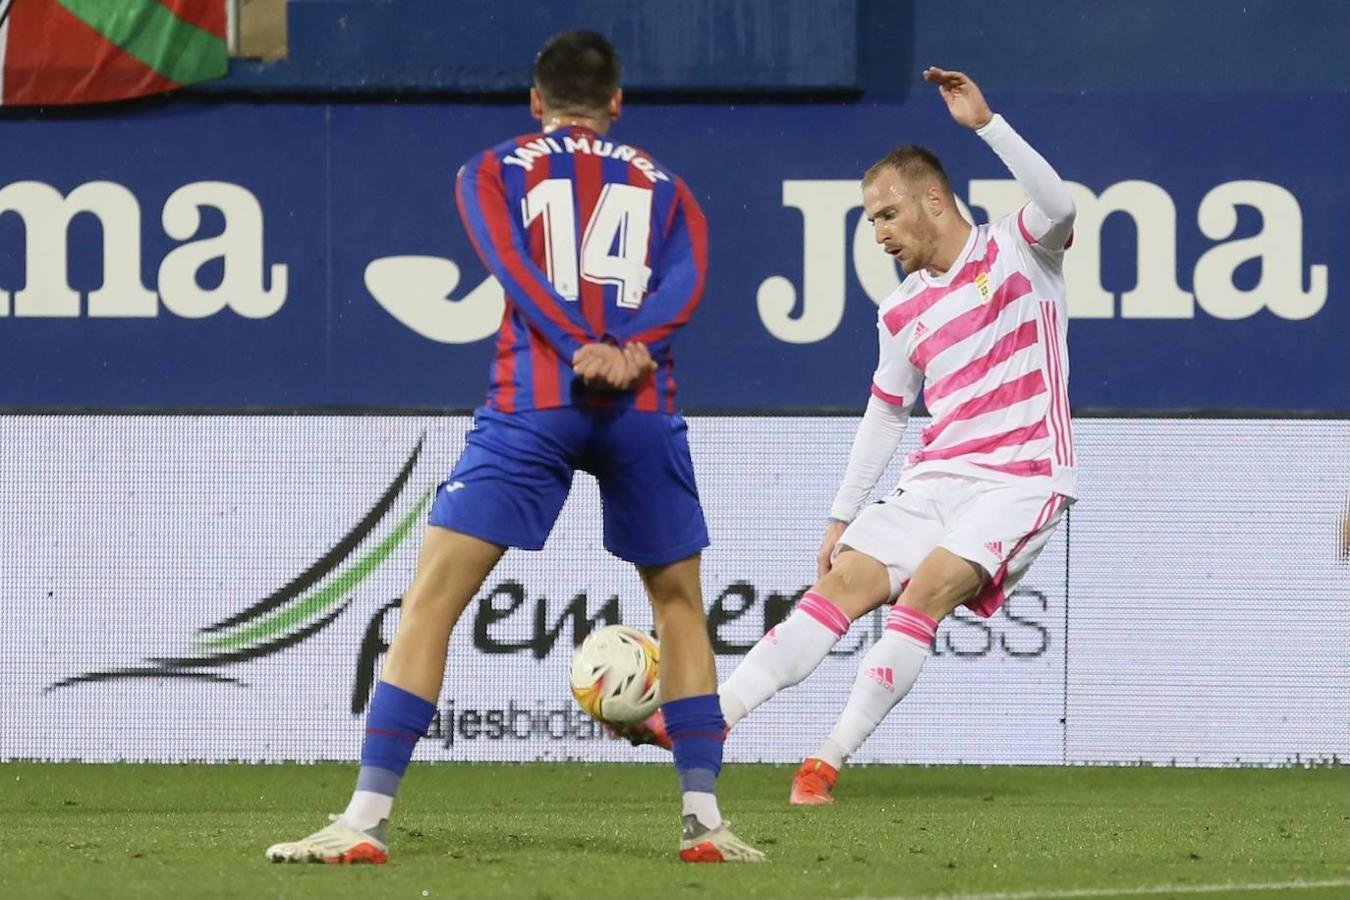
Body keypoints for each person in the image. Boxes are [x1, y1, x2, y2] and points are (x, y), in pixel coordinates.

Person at [266, 30, 762, 864]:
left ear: (535, 102)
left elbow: (512, 267)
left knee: (430, 601)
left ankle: (364, 820)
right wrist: (632, 344)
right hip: (641, 403)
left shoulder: (492, 169)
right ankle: (705, 821)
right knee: (679, 606)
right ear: (616, 104)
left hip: (536, 398)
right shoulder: (668, 186)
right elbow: (689, 276)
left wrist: (577, 343)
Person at [627, 67, 1078, 805]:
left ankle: (825, 761)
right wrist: (841, 514)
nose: (880, 233)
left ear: (935, 200)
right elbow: (888, 413)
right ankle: (711, 720)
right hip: (937, 479)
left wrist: (985, 125)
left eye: (889, 215)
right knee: (840, 586)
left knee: (921, 595)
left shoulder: (1021, 248)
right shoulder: (901, 310)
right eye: (870, 221)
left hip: (1023, 478)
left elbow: (1059, 202)